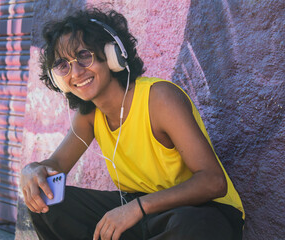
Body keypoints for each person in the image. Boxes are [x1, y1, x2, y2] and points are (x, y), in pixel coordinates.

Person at [20, 7, 245, 240]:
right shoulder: (89, 116)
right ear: (59, 80)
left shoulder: (159, 99)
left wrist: (137, 208)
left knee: (191, 225)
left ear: (112, 55)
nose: (75, 72)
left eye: (84, 56)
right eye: (63, 65)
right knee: (47, 203)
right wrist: (32, 170)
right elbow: (55, 166)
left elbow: (214, 181)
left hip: (201, 212)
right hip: (142, 212)